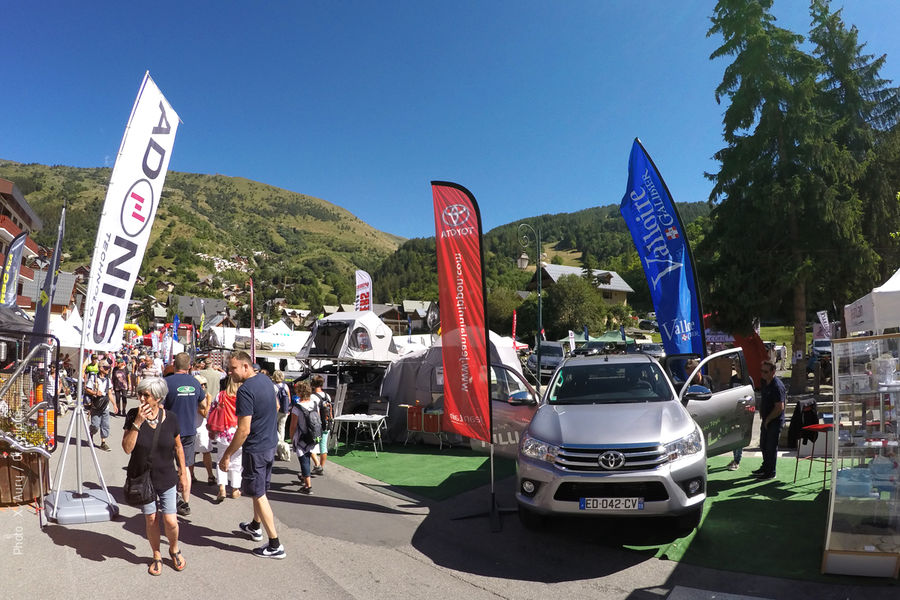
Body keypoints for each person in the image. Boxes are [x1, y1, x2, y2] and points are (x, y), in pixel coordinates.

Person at [219, 350, 285, 559]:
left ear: (246, 366)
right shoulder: (266, 380)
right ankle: (256, 526)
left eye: (233, 368)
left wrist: (227, 455)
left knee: (259, 494)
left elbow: (243, 429)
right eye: (229, 369)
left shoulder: (245, 390)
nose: (230, 373)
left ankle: (275, 544)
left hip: (256, 448)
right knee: (260, 489)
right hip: (269, 444)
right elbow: (276, 405)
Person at [123, 377, 189, 575]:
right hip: (143, 478)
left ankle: (174, 549)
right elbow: (127, 448)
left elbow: (178, 447)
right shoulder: (133, 415)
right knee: (151, 518)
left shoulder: (171, 418)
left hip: (166, 476)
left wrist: (183, 473)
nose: (141, 398)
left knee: (170, 520)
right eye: (140, 393)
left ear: (158, 398)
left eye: (146, 395)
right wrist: (137, 422)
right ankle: (156, 554)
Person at [163, 352, 208, 516]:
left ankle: (171, 497)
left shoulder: (166, 382)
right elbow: (203, 404)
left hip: (169, 431)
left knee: (168, 466)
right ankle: (186, 503)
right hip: (189, 430)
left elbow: (159, 407)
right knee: (186, 467)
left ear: (174, 365)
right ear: (189, 366)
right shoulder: (195, 383)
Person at [210, 374, 243, 502]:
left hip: (223, 431)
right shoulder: (243, 396)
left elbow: (212, 412)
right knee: (237, 461)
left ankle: (222, 488)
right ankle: (235, 489)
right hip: (238, 431)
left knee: (221, 460)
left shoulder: (221, 395)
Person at [753, 360, 786, 480]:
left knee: (771, 447)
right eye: (762, 371)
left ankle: (770, 472)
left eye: (766, 372)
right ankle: (765, 467)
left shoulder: (777, 386)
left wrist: (768, 420)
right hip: (766, 419)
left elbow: (779, 407)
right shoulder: (765, 382)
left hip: (775, 420)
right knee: (763, 445)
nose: (763, 374)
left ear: (773, 371)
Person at [289, 380, 319, 494]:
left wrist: (292, 438)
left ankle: (308, 486)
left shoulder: (297, 407)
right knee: (308, 456)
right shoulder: (314, 404)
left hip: (301, 436)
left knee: (304, 460)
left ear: (299, 392)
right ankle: (304, 477)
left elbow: (292, 426)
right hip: (313, 435)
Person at [189, 374, 215, 486]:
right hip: (197, 429)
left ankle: (210, 475)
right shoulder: (196, 397)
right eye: (201, 384)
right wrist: (209, 401)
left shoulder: (199, 395)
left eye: (204, 384)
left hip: (202, 428)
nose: (203, 386)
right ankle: (191, 475)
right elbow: (204, 413)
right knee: (194, 453)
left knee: (205, 452)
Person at [86, 361, 118, 451]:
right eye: (106, 368)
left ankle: (103, 442)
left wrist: (114, 404)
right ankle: (91, 433)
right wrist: (95, 392)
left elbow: (110, 393)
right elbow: (87, 389)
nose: (108, 369)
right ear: (101, 368)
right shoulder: (94, 378)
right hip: (96, 405)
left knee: (105, 425)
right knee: (95, 425)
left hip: (105, 406)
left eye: (108, 368)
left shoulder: (108, 380)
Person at [310, 375, 332, 475]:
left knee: (311, 446)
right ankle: (321, 467)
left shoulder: (313, 397)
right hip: (327, 423)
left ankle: (317, 465)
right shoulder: (327, 396)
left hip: (317, 425)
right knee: (323, 446)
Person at [272, 371, 292, 461]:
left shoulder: (273, 387)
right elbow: (289, 398)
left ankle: (278, 444)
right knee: (282, 427)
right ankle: (282, 443)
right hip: (285, 410)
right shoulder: (286, 386)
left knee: (274, 427)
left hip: (276, 410)